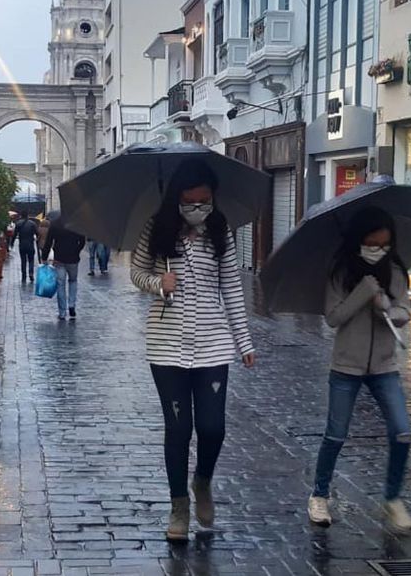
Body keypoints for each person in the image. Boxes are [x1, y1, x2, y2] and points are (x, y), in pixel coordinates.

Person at [129, 160, 256, 543]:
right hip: (166, 345)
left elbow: (232, 287)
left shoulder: (221, 231)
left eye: (204, 200)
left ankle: (203, 480)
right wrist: (159, 282)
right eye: (190, 200)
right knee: (179, 429)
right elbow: (137, 274)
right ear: (177, 199)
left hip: (213, 344)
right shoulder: (157, 228)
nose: (198, 207)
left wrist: (244, 341)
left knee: (213, 427)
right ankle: (178, 505)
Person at [306, 207, 411, 535]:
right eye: (371, 243)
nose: (378, 250)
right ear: (359, 241)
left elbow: (404, 310)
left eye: (384, 245)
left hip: (384, 365)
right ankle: (319, 494)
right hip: (346, 366)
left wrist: (391, 310)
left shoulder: (394, 271)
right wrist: (362, 294)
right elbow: (333, 317)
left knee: (402, 430)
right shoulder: (340, 272)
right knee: (335, 435)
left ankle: (393, 497)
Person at [41, 215, 86, 320]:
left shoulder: (55, 223)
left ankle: (62, 312)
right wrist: (76, 251)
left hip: (59, 259)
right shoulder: (77, 223)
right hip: (73, 259)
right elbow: (82, 241)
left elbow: (48, 242)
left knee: (61, 284)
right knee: (73, 281)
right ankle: (71, 305)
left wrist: (44, 257)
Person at [13, 215, 39, 283]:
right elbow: (37, 233)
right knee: (31, 260)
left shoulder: (18, 223)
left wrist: (12, 243)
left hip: (22, 245)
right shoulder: (32, 224)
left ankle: (24, 274)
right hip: (30, 244)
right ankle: (31, 273)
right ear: (27, 216)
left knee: (23, 260)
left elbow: (14, 234)